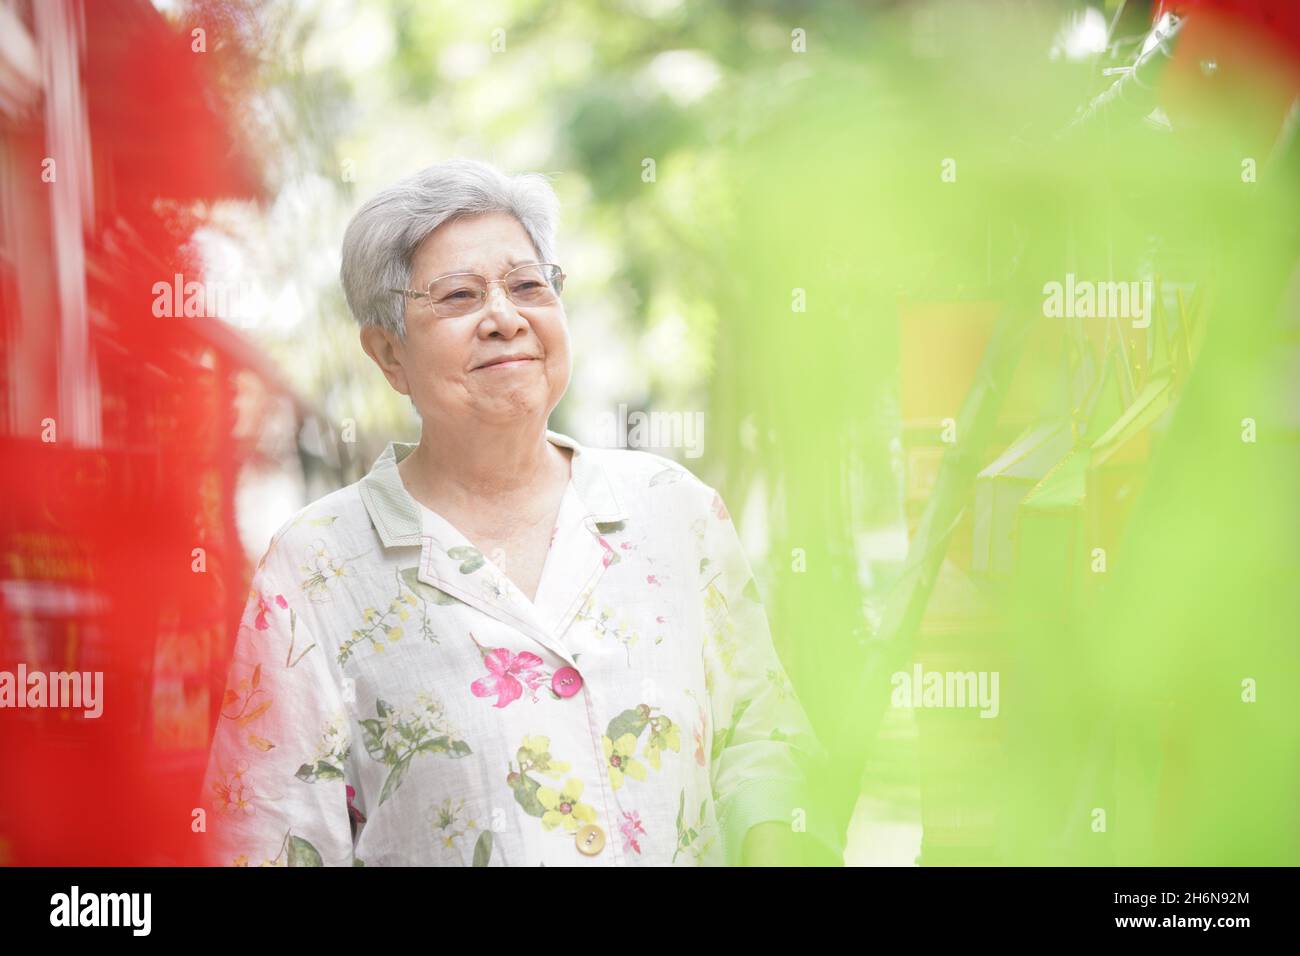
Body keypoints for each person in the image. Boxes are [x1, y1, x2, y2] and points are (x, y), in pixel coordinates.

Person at [198, 157, 842, 866]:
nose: (505, 318)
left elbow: (763, 742)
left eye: (528, 286)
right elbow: (266, 838)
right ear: (389, 353)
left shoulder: (674, 512)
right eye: (458, 297)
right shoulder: (318, 565)